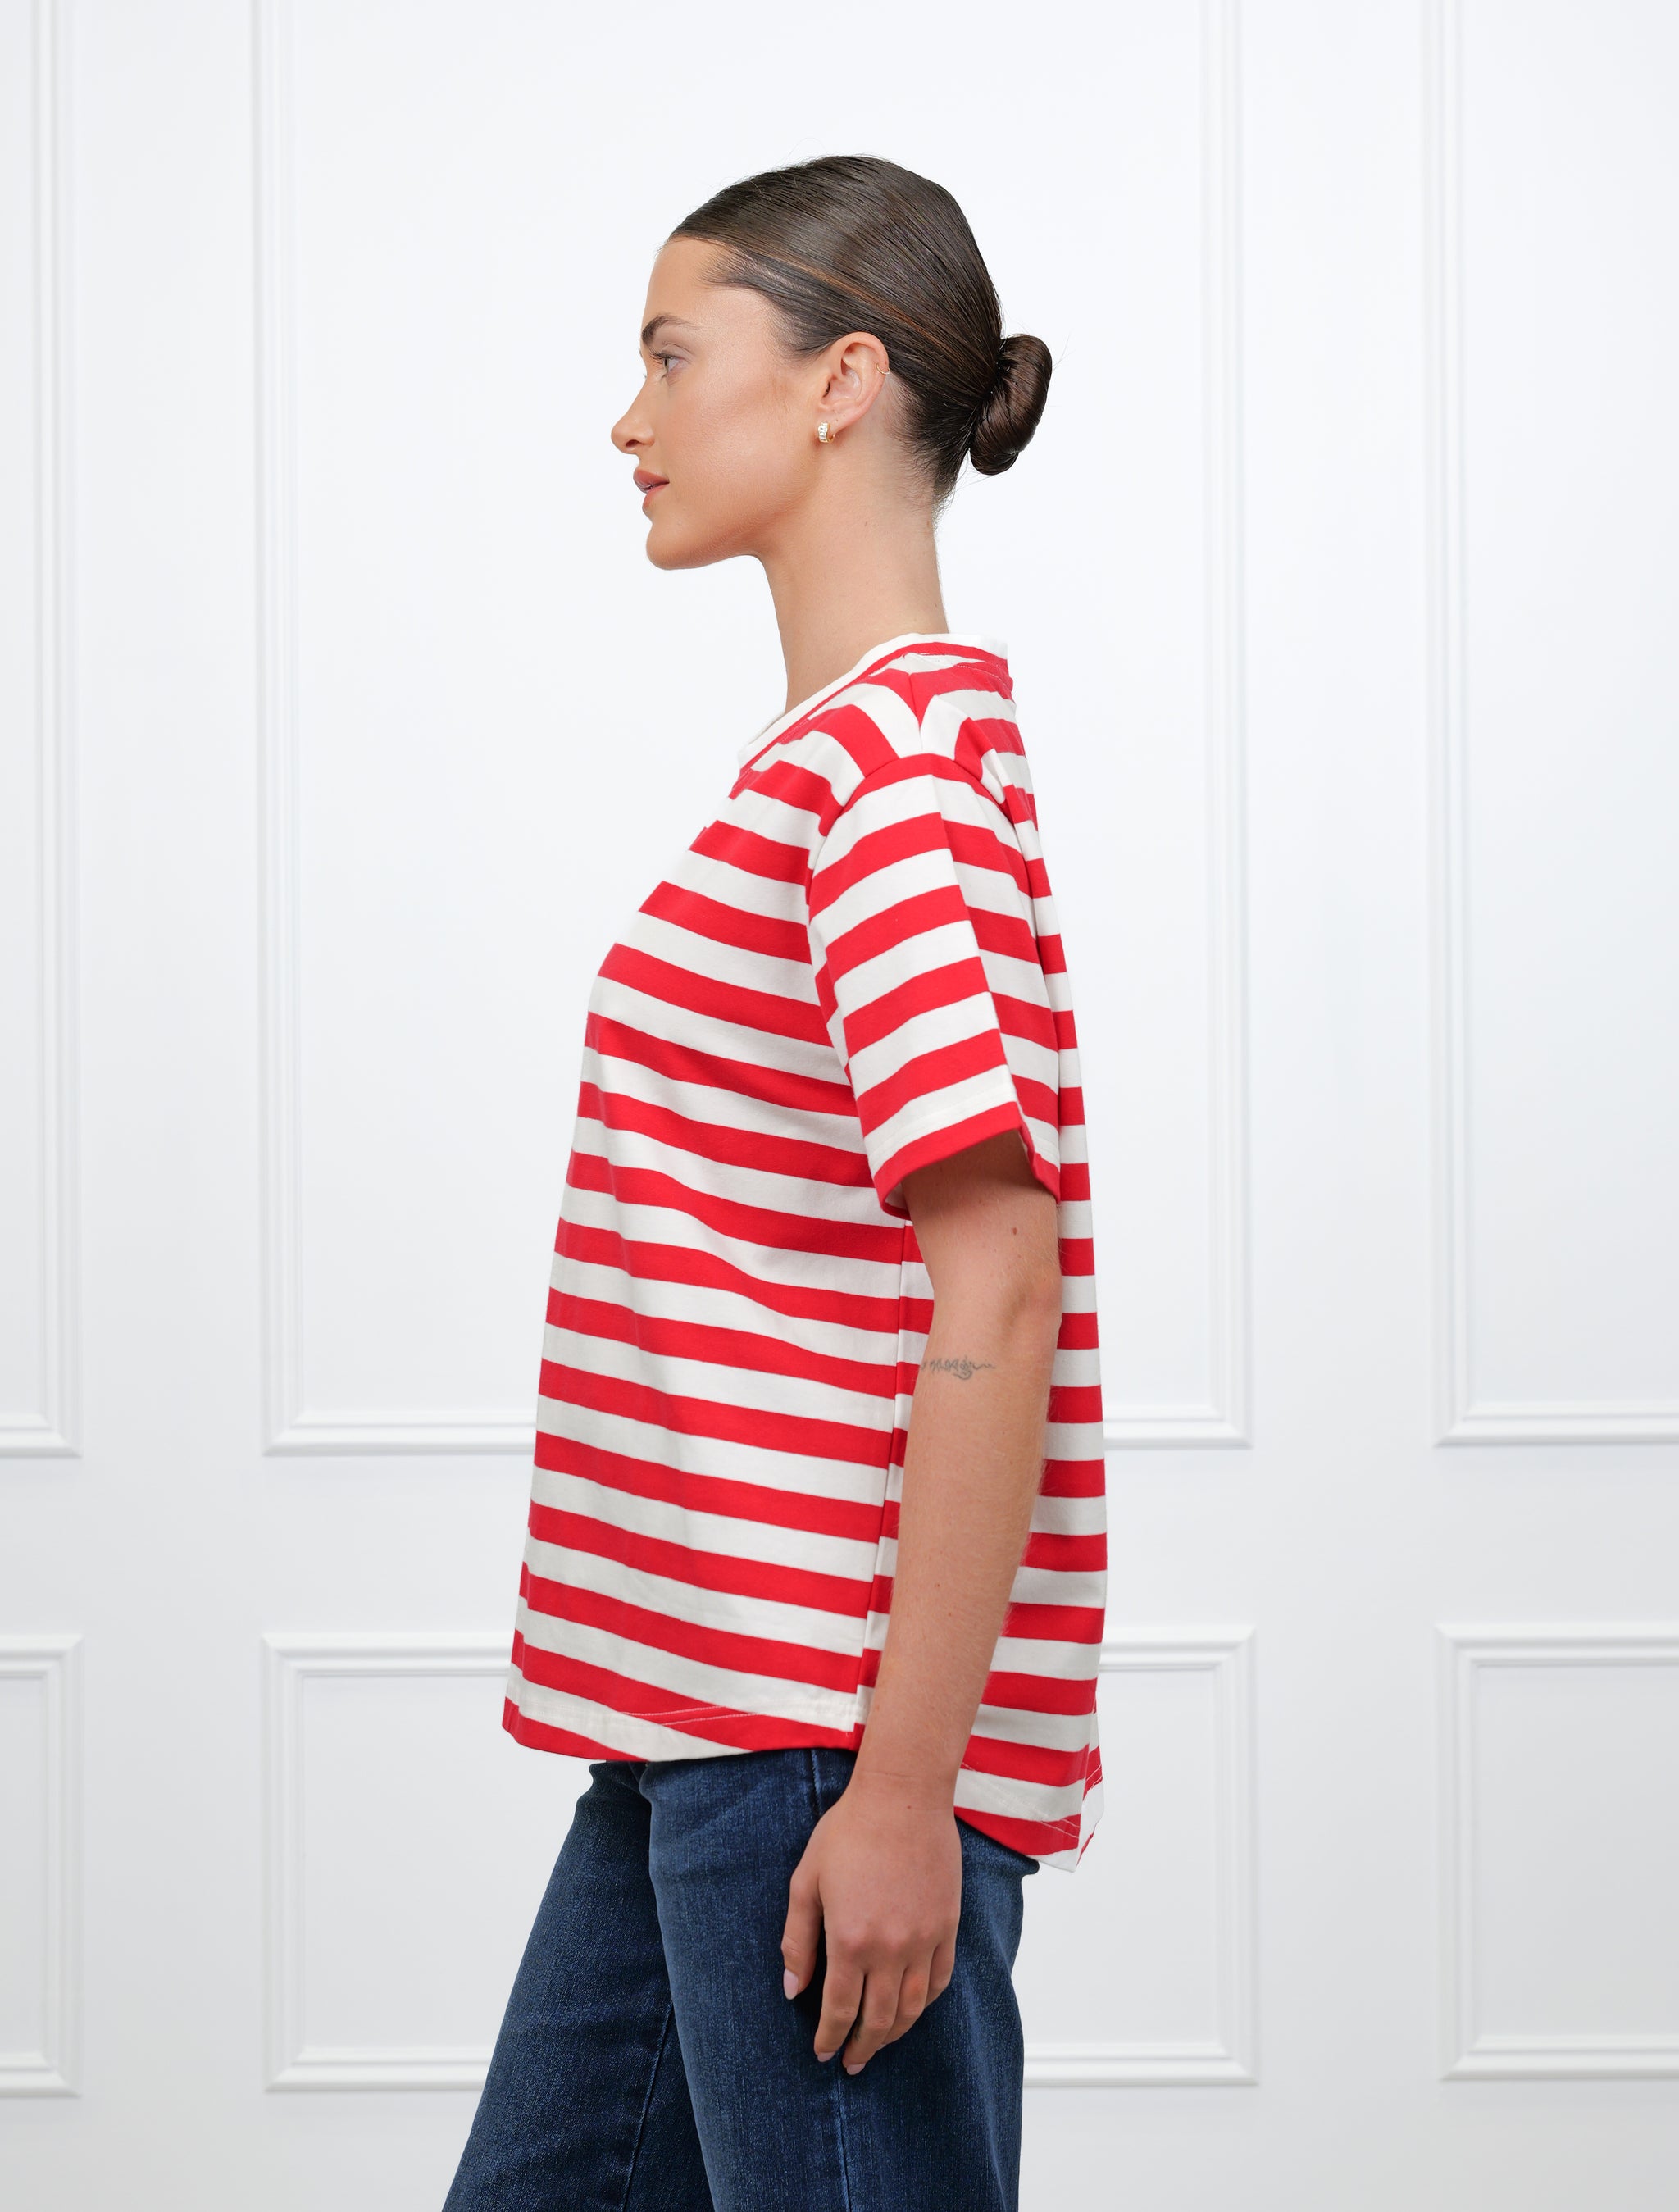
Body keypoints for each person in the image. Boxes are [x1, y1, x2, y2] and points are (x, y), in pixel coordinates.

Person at [443, 152, 1106, 2212]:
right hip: (701, 1722)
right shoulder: (834, 769)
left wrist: (904, 1789)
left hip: (815, 1734)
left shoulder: (887, 787)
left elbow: (1000, 1280)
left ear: (837, 381)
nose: (626, 419)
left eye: (668, 356)